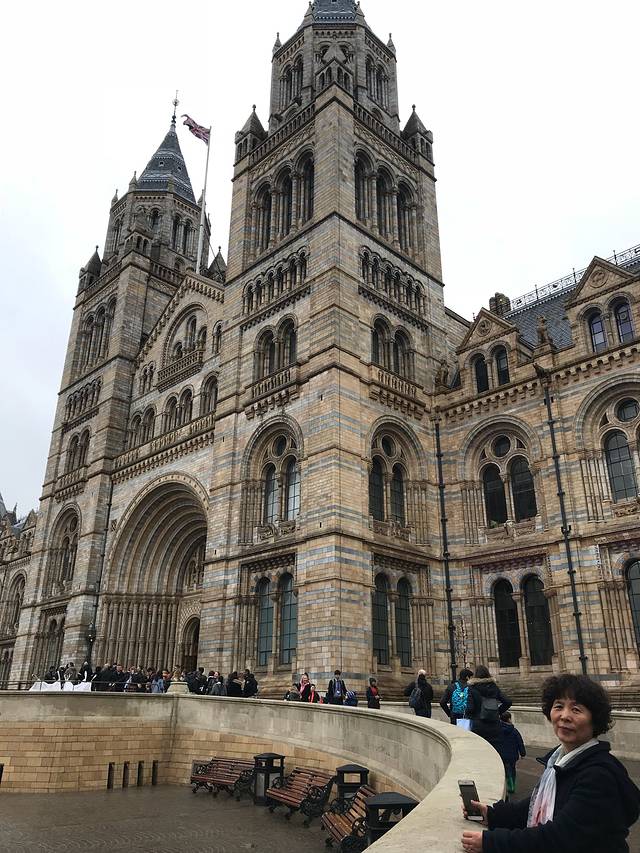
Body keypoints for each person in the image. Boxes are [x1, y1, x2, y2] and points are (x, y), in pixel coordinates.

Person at [461, 674, 640, 853]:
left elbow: (558, 837)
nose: (565, 716)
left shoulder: (598, 776)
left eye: (576, 710)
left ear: (595, 719)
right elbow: (534, 806)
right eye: (559, 707)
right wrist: (492, 815)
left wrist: (490, 842)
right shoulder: (560, 760)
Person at [468, 665, 511, 751]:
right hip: (494, 724)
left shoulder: (472, 688)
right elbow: (508, 702)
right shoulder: (494, 687)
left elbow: (470, 708)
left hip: (478, 725)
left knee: (480, 751)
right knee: (495, 751)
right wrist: (497, 712)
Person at [498, 711, 526, 795]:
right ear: (509, 719)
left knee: (506, 770)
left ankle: (509, 785)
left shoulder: (498, 730)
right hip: (513, 755)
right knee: (512, 770)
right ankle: (512, 785)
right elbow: (520, 742)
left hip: (502, 754)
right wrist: (522, 753)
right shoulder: (514, 731)